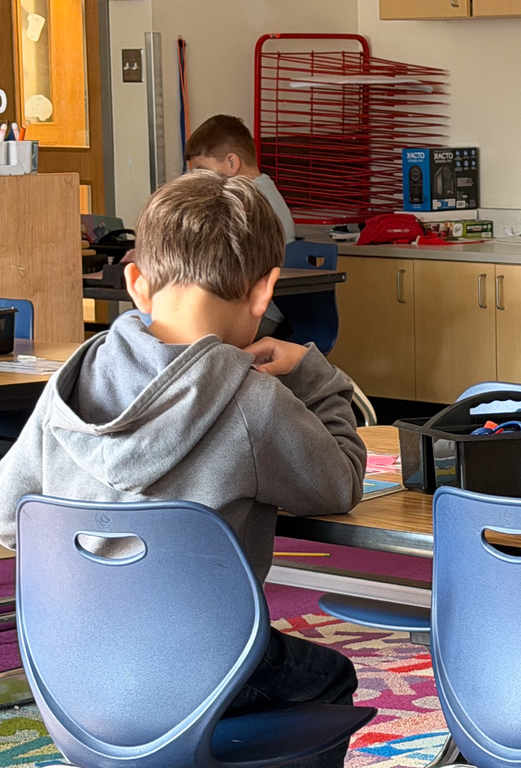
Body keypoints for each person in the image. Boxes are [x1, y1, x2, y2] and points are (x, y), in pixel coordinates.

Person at [0, 171, 366, 767]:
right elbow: (342, 481)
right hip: (204, 673)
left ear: (137, 282)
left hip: (71, 668)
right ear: (264, 292)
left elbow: (11, 520)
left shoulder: (71, 384)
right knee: (327, 679)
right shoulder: (252, 400)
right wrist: (312, 374)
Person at [185, 114, 294, 337]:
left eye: (204, 170)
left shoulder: (248, 202)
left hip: (256, 314)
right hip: (260, 307)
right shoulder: (264, 191)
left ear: (233, 162)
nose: (200, 180)